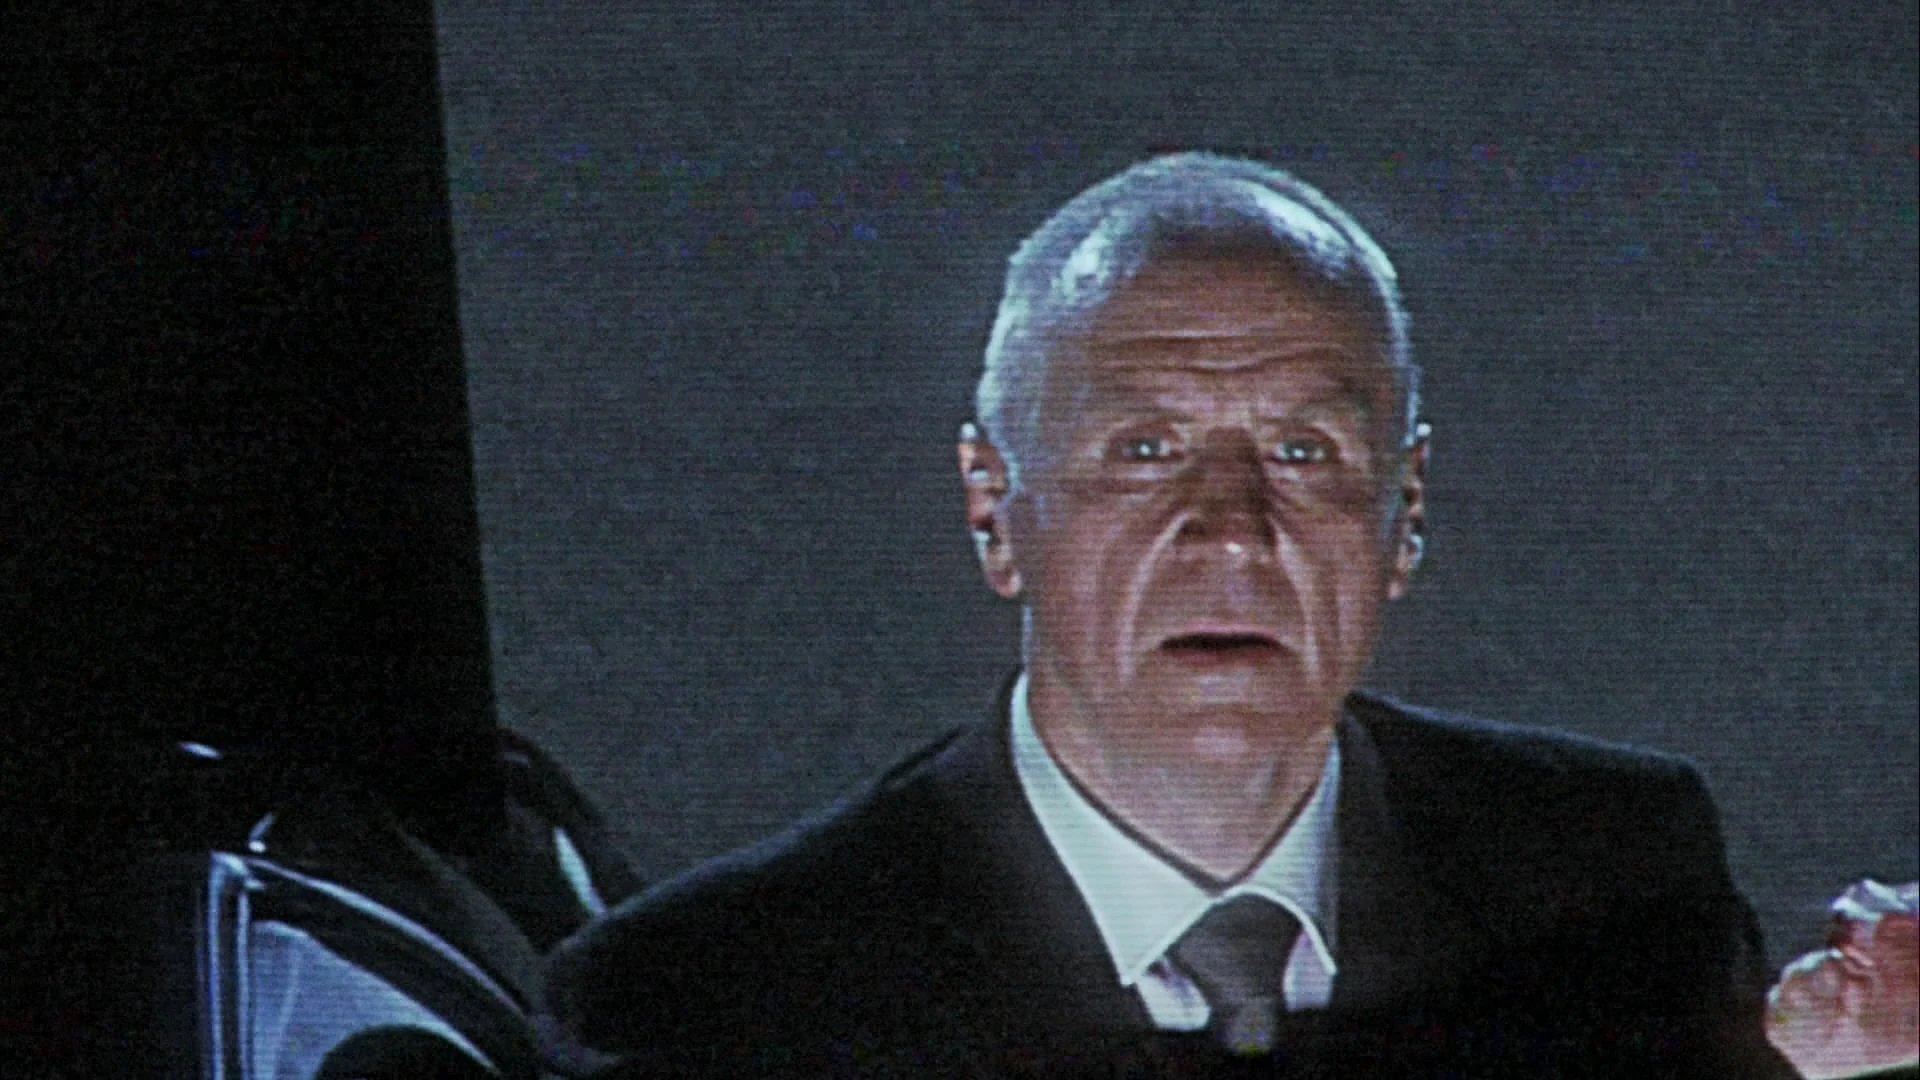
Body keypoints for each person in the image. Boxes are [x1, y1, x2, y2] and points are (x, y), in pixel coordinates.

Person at [543, 153, 1888, 1077]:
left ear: (1404, 513)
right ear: (994, 510)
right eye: (1143, 451)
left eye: (1305, 452)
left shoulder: (1618, 876)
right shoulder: (711, 998)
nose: (1234, 528)